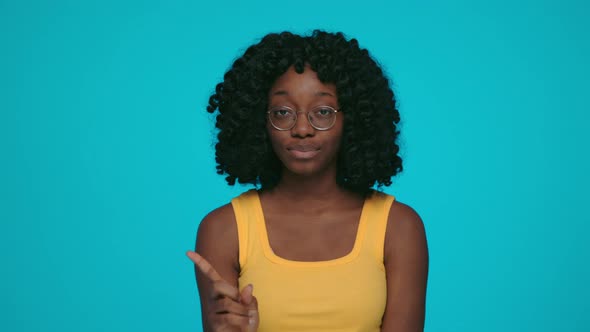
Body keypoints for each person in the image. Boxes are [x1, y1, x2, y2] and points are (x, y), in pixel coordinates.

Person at [186, 30, 429, 332]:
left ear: (351, 118)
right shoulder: (224, 230)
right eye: (283, 112)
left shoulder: (398, 227)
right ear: (259, 120)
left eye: (323, 112)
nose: (302, 128)